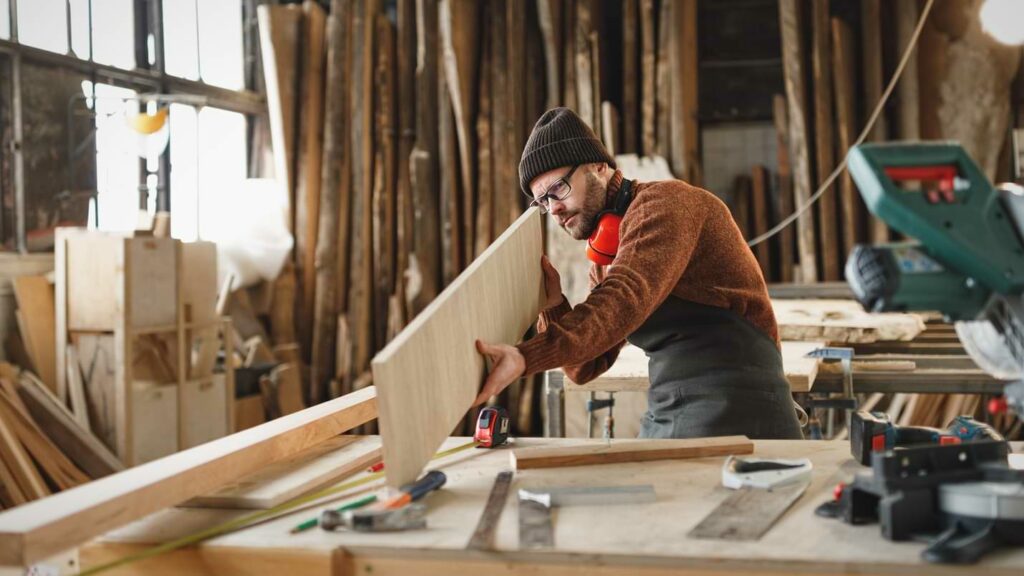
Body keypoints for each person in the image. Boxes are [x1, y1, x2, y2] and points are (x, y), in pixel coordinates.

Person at [474, 107, 803, 439]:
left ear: (597, 166)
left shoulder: (666, 205)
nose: (553, 208)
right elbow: (585, 366)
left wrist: (522, 356)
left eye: (558, 188)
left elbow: (625, 296)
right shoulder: (607, 255)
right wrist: (553, 302)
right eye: (542, 201)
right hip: (672, 406)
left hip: (738, 405)